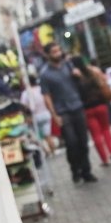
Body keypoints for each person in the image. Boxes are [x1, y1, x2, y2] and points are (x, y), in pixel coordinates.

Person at [38, 43, 97, 184]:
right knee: (71, 142)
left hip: (77, 106)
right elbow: (47, 96)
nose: (58, 53)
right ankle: (75, 169)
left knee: (83, 141)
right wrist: (54, 115)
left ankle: (86, 171)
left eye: (59, 50)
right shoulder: (45, 74)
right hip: (62, 111)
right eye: (54, 52)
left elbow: (81, 82)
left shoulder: (68, 65)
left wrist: (79, 75)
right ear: (47, 55)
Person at [72, 56, 111, 166]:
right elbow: (103, 82)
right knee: (106, 129)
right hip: (101, 105)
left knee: (96, 134)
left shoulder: (75, 79)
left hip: (87, 109)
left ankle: (104, 159)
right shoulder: (93, 72)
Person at [19, 69, 58, 157]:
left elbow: (23, 106)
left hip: (35, 116)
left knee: (37, 137)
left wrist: (26, 116)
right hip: (45, 113)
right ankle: (53, 150)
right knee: (48, 135)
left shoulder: (26, 93)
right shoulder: (41, 89)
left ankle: (45, 151)